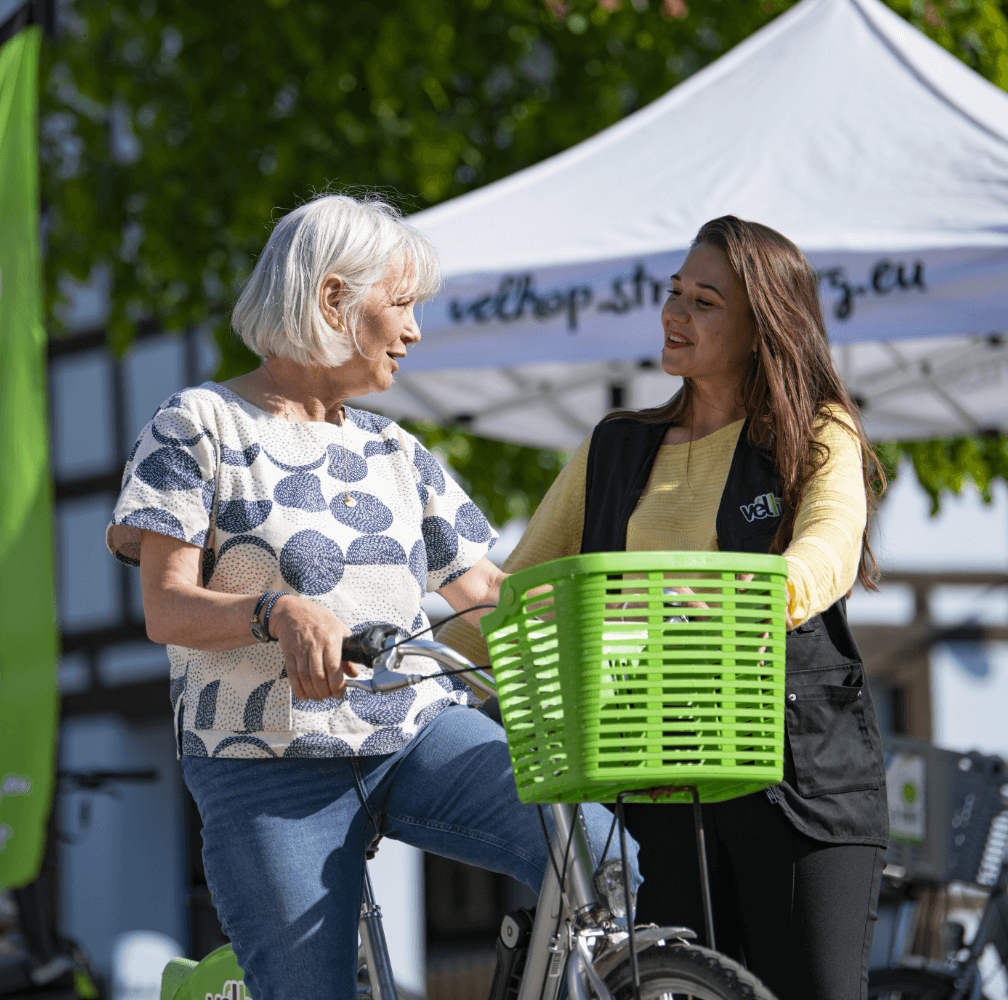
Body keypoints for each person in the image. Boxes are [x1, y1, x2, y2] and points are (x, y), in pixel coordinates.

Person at [105, 193, 638, 1000]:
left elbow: (489, 595)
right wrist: (274, 611)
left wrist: (623, 615)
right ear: (333, 300)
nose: (416, 330)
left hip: (415, 733)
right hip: (265, 760)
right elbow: (167, 606)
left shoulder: (394, 448)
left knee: (601, 857)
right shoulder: (198, 425)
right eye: (402, 305)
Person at [439, 216, 890, 1000]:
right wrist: (408, 653)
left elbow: (827, 551)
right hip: (653, 778)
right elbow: (517, 600)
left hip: (798, 782)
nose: (674, 313)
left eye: (704, 302)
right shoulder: (614, 447)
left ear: (763, 326)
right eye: (674, 292)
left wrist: (738, 599)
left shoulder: (817, 432)